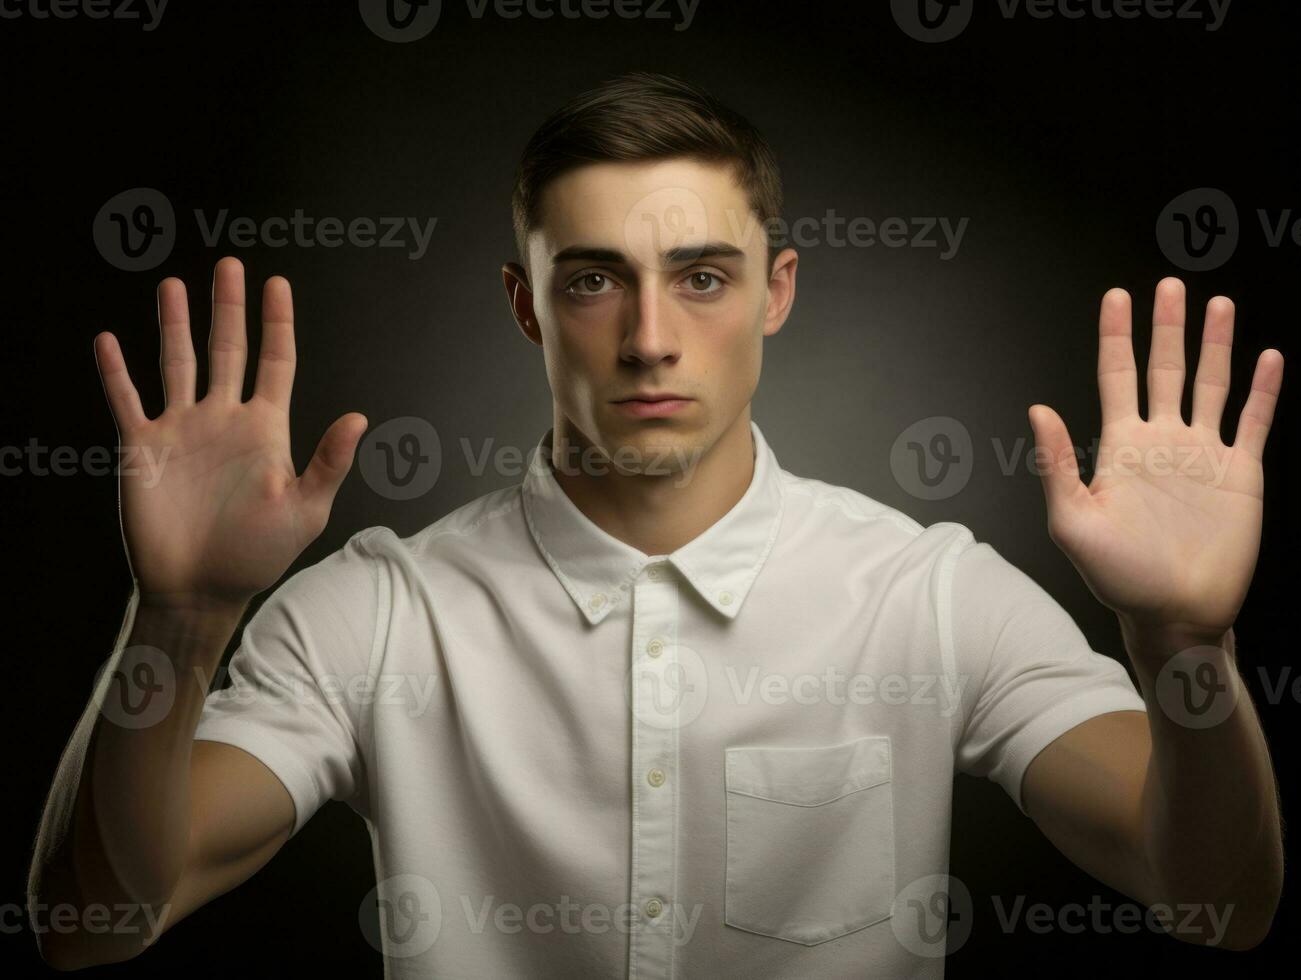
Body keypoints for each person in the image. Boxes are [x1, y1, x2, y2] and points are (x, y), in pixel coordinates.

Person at [28, 71, 1283, 977]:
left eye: (699, 274)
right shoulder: (379, 609)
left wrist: (1182, 650)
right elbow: (96, 920)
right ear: (525, 306)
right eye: (591, 280)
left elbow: (1214, 904)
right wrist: (180, 619)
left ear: (775, 290)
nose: (645, 335)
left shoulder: (928, 593)